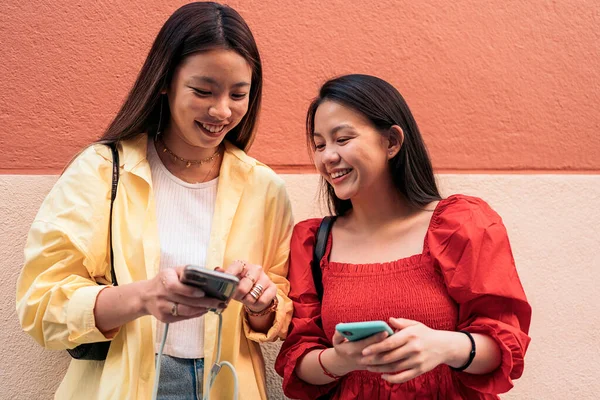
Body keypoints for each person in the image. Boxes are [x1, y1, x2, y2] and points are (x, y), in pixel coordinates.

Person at [16, 3, 293, 399]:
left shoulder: (265, 187)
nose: (222, 110)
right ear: (165, 81)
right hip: (123, 383)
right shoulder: (99, 169)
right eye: (203, 91)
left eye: (239, 94)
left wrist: (262, 303)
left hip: (227, 383)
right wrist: (145, 297)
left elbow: (280, 308)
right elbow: (40, 303)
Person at [276, 74, 531, 399]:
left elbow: (505, 345)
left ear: (392, 142)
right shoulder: (313, 240)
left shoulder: (461, 223)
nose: (327, 157)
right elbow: (299, 362)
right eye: (320, 144)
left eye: (342, 139)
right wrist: (340, 359)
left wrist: (443, 346)